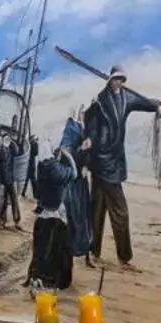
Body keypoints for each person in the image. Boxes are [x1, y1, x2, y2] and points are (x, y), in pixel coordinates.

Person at [78, 67, 161, 271]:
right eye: (114, 79)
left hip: (114, 162)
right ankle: (101, 254)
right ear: (109, 80)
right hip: (100, 161)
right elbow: (91, 124)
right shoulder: (100, 101)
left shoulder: (126, 97)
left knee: (109, 211)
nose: (117, 83)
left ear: (123, 81)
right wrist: (88, 139)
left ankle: (113, 256)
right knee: (107, 212)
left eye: (120, 80)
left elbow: (145, 103)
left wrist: (158, 106)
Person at [26, 145, 76, 290]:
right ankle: (52, 280)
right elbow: (73, 174)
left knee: (41, 249)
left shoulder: (40, 166)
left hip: (44, 212)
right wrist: (69, 157)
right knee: (57, 248)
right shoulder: (53, 168)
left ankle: (38, 278)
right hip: (54, 215)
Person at [56, 108, 93, 258]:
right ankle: (70, 245)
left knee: (83, 211)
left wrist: (87, 164)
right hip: (72, 178)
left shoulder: (88, 129)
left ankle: (83, 246)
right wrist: (81, 149)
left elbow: (92, 153)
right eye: (83, 111)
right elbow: (66, 150)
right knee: (72, 210)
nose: (84, 115)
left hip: (81, 179)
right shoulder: (71, 127)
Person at [0, 130, 23, 230]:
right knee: (3, 202)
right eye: (5, 139)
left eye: (8, 139)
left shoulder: (12, 150)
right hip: (3, 181)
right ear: (2, 140)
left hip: (11, 180)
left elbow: (18, 150)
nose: (7, 141)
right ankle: (1, 223)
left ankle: (17, 221)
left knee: (15, 201)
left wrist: (12, 141)